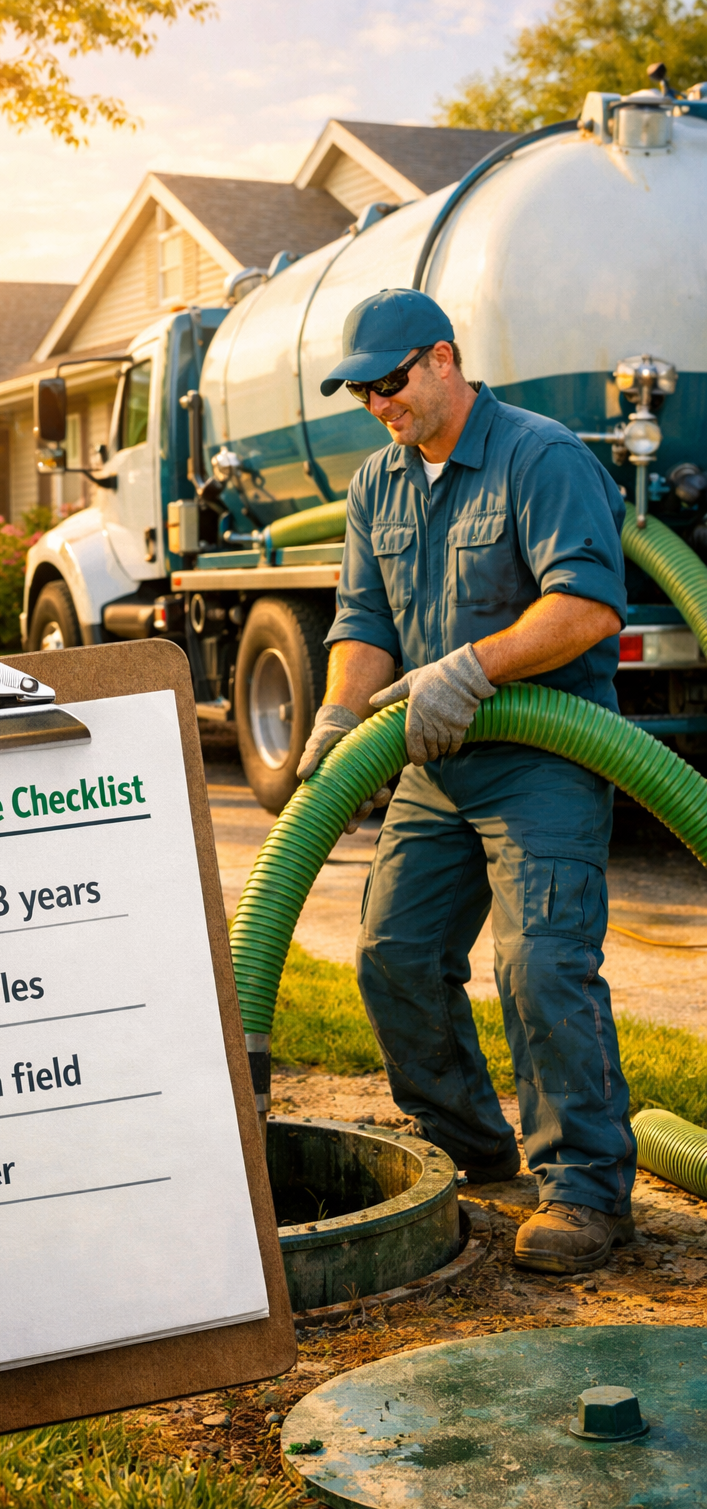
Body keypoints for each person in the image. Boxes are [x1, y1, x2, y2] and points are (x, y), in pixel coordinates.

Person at [298, 287, 637, 1276]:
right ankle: (472, 1149)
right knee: (389, 955)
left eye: (390, 383)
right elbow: (363, 624)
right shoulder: (379, 483)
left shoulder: (542, 458)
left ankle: (582, 1191)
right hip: (432, 765)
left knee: (535, 968)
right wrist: (335, 716)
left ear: (442, 358)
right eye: (362, 392)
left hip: (545, 758)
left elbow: (584, 607)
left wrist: (473, 668)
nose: (379, 405)